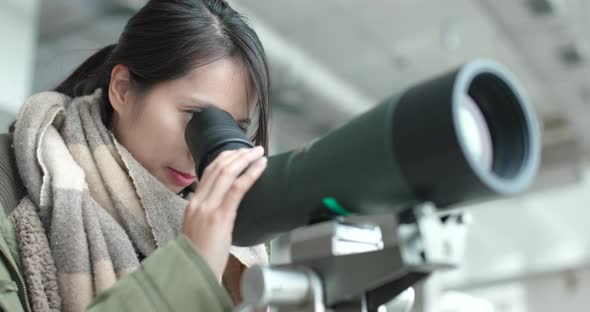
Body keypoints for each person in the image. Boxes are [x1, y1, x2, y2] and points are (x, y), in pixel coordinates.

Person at [1, 0, 271, 311]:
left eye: (233, 128)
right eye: (195, 115)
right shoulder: (9, 190)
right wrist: (190, 266)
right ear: (122, 89)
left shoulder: (239, 244)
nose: (200, 150)